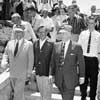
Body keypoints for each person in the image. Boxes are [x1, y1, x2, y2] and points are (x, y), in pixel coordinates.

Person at [50, 24, 85, 100]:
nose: (62, 35)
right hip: (59, 78)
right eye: (61, 33)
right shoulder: (56, 45)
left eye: (64, 33)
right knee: (64, 97)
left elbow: (81, 63)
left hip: (70, 79)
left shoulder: (77, 46)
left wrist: (82, 76)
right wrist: (51, 74)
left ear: (69, 34)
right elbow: (53, 62)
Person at [0, 27, 34, 100]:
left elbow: (31, 59)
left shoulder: (29, 44)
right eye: (16, 32)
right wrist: (4, 61)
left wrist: (29, 72)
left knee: (17, 93)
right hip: (12, 72)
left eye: (20, 32)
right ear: (14, 33)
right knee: (18, 93)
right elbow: (6, 54)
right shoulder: (10, 43)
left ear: (23, 34)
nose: (18, 34)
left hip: (22, 73)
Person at [78, 16, 100, 100]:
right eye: (89, 23)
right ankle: (83, 96)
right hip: (83, 59)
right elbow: (79, 48)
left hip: (93, 60)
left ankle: (92, 98)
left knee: (93, 82)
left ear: (95, 23)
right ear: (87, 23)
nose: (90, 25)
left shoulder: (98, 35)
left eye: (92, 23)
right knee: (83, 81)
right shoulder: (83, 33)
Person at [33, 26, 54, 100]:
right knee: (42, 94)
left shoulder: (52, 43)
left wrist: (51, 73)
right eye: (40, 32)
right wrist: (33, 69)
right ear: (37, 33)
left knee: (47, 95)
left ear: (47, 33)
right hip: (38, 72)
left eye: (44, 32)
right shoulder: (35, 42)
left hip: (47, 73)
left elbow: (53, 60)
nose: (42, 33)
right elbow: (34, 56)